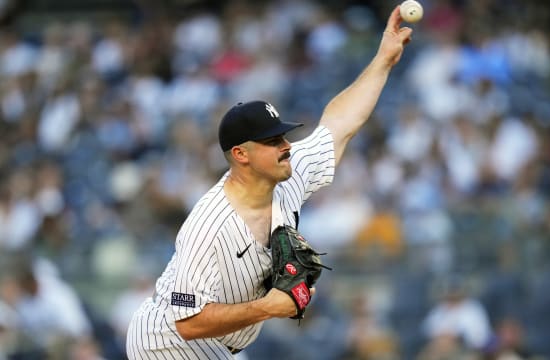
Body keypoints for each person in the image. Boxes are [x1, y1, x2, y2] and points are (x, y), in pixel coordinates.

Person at [126, 6, 412, 359]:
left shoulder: (286, 177)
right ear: (241, 155)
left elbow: (339, 125)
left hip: (220, 345)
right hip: (166, 343)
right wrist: (271, 306)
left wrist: (383, 61)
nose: (286, 146)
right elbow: (189, 322)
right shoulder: (209, 225)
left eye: (284, 137)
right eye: (273, 141)